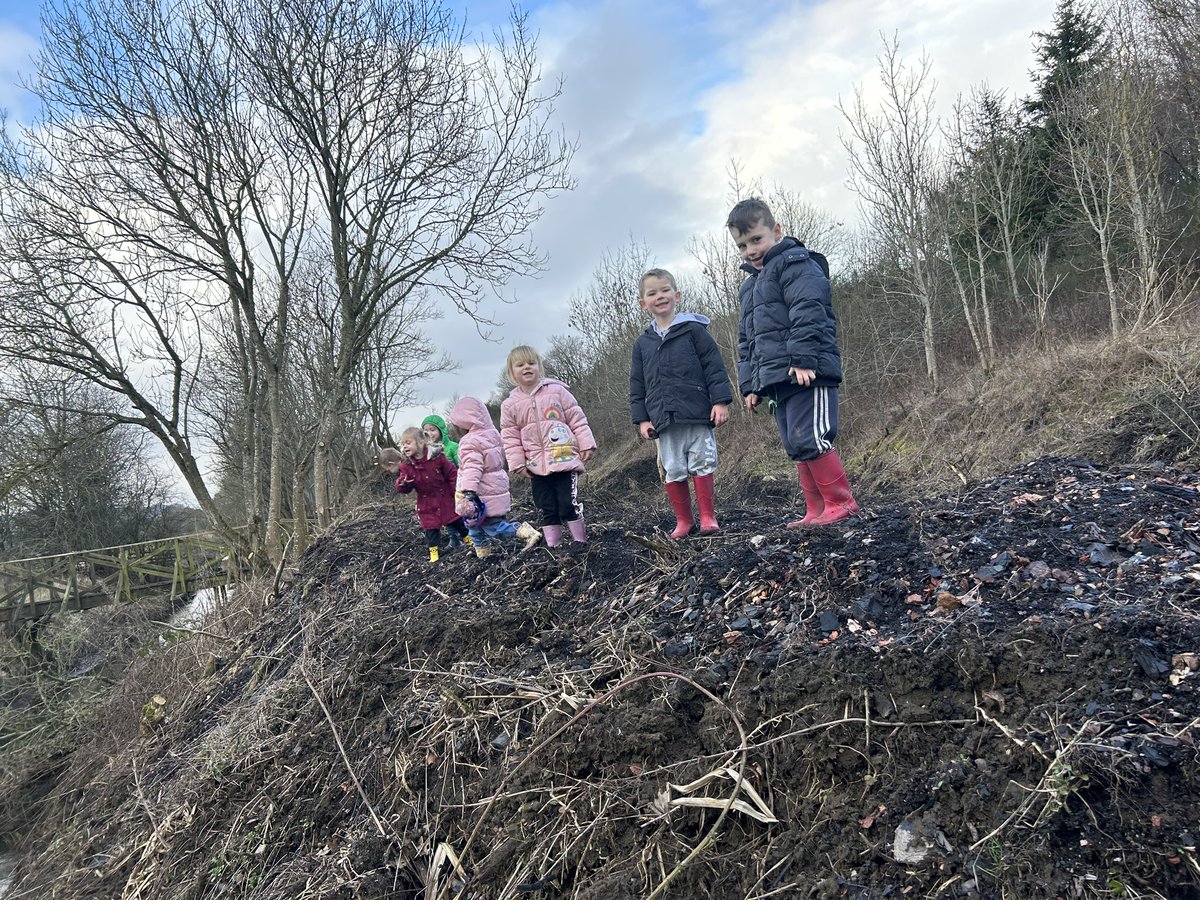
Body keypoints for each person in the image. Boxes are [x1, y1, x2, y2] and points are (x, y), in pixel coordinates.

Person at [727, 197, 859, 526]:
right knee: (795, 444)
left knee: (811, 437)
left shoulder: (796, 263)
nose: (750, 250)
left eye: (756, 239)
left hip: (807, 371)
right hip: (777, 378)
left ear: (777, 231)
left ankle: (841, 503)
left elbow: (809, 310)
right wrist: (751, 385)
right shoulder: (750, 287)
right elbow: (749, 340)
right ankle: (815, 509)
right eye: (742, 245)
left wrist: (802, 358)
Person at [630, 267, 732, 538]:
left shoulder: (694, 331)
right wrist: (642, 419)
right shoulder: (642, 344)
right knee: (673, 469)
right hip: (663, 419)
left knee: (703, 461)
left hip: (697, 413)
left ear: (677, 294)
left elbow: (714, 367)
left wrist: (720, 402)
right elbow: (637, 384)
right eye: (652, 293)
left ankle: (708, 517)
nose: (660, 296)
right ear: (643, 303)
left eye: (665, 290)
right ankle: (684, 521)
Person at [500, 346, 597, 547]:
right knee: (547, 507)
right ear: (512, 373)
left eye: (531, 363)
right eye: (520, 365)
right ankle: (555, 546)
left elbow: (576, 418)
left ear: (539, 367)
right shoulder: (509, 405)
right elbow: (510, 438)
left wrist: (586, 443)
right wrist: (518, 464)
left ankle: (581, 542)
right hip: (535, 465)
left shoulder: (557, 391)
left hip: (564, 459)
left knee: (567, 503)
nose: (526, 367)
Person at [446, 396, 543, 558]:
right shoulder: (492, 435)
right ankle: (483, 556)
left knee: (494, 527)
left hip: (480, 496)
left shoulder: (470, 441)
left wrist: (468, 490)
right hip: (494, 490)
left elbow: (472, 467)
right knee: (474, 530)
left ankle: (525, 532)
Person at [379, 432, 469, 562]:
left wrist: (454, 491)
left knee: (455, 519)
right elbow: (405, 486)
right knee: (430, 526)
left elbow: (451, 473)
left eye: (408, 443)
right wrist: (403, 484)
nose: (404, 446)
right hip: (426, 501)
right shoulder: (407, 466)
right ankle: (434, 554)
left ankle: (469, 540)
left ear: (420, 443)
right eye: (403, 444)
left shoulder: (437, 458)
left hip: (444, 496)